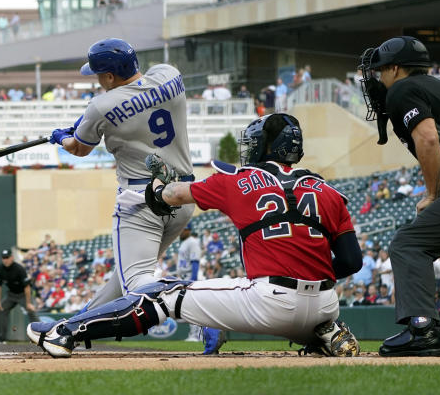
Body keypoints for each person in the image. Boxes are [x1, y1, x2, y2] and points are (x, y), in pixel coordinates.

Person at [29, 113, 363, 358]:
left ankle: (66, 332)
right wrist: (307, 282)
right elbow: (351, 261)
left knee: (162, 293)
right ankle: (319, 333)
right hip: (324, 304)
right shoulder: (328, 191)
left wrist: (159, 184)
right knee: (267, 297)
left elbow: (172, 196)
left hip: (269, 302)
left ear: (263, 147)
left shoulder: (238, 180)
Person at [49, 38, 195, 309]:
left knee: (137, 285)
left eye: (99, 76)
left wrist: (61, 137)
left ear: (109, 75)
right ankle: (72, 329)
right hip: (184, 195)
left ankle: (201, 311)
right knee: (126, 278)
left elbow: (79, 148)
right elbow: (136, 95)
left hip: (142, 201)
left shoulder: (101, 106)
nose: (97, 81)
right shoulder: (168, 74)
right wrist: (90, 121)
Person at [359, 36, 440, 356]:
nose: (378, 78)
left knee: (409, 244)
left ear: (395, 68)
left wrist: (432, 194)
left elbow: (429, 139)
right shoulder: (434, 86)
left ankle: (423, 330)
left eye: (381, 71)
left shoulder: (403, 90)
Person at [0, 248, 38, 343]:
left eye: (7, 257)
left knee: (31, 311)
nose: (5, 260)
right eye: (3, 258)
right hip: (11, 295)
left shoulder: (19, 269)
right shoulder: (0, 269)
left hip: (23, 294)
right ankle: (1, 339)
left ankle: (40, 337)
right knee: (0, 310)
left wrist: (28, 303)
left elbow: (27, 287)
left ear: (12, 257)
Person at [176, 224, 203, 342]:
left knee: (193, 308)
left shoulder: (192, 242)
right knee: (188, 308)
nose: (180, 232)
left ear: (188, 230)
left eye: (182, 229)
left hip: (190, 277)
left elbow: (195, 262)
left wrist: (192, 280)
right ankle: (194, 334)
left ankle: (196, 335)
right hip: (184, 277)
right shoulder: (184, 242)